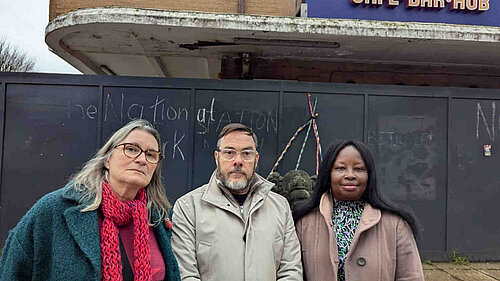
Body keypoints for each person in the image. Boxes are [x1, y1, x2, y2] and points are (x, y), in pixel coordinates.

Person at [0, 119, 181, 281]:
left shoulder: (158, 218)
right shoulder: (53, 209)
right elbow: (11, 271)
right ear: (107, 159)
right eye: (131, 149)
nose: (142, 159)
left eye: (151, 154)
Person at [171, 123, 302, 281]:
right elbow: (186, 275)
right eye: (229, 152)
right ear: (217, 157)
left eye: (247, 153)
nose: (238, 161)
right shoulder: (188, 207)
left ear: (256, 159)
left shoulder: (280, 207)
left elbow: (291, 271)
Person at [294, 139, 424, 281]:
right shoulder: (304, 223)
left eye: (358, 169)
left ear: (369, 175)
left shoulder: (395, 224)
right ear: (328, 174)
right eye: (341, 168)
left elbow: (411, 276)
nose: (350, 175)